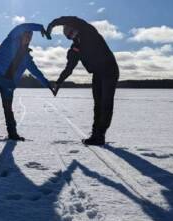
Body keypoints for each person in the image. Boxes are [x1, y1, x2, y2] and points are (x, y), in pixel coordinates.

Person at [47, 16, 119, 146]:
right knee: (98, 105)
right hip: (97, 73)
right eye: (68, 35)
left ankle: (100, 135)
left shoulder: (88, 31)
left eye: (72, 31)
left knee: (106, 103)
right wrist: (58, 82)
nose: (72, 35)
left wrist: (53, 24)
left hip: (109, 69)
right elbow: (69, 68)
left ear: (75, 27)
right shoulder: (75, 48)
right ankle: (96, 135)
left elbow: (73, 19)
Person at [0, 23, 54, 142]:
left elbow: (36, 72)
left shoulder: (26, 57)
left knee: (8, 108)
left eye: (30, 36)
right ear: (21, 35)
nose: (28, 37)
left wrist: (48, 85)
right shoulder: (11, 40)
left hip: (8, 83)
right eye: (26, 34)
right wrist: (39, 28)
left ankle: (12, 134)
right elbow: (20, 27)